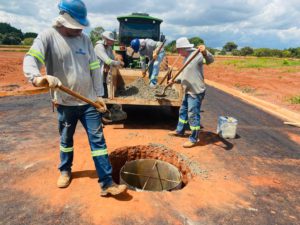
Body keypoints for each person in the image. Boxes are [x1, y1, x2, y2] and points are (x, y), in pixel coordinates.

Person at [23, 0, 127, 197]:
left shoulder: (85, 40)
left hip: (89, 102)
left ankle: (106, 183)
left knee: (98, 141)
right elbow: (31, 58)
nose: (79, 30)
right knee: (66, 139)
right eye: (76, 27)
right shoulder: (47, 37)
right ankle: (65, 170)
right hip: (65, 102)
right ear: (63, 18)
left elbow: (95, 68)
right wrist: (38, 78)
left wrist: (98, 95)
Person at [168, 37, 214, 148]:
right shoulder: (186, 57)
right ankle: (180, 131)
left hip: (196, 92)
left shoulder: (197, 55)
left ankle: (194, 139)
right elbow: (185, 74)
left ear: (184, 48)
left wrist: (205, 52)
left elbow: (210, 60)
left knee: (193, 115)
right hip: (188, 91)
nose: (178, 52)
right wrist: (174, 80)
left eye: (179, 49)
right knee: (183, 112)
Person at [94, 31, 127, 122]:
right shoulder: (99, 47)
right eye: (110, 40)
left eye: (112, 41)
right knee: (99, 97)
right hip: (97, 74)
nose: (112, 42)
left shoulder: (108, 47)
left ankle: (104, 115)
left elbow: (112, 58)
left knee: (105, 95)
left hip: (105, 75)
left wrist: (118, 60)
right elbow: (108, 61)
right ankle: (98, 119)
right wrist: (119, 63)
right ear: (105, 39)